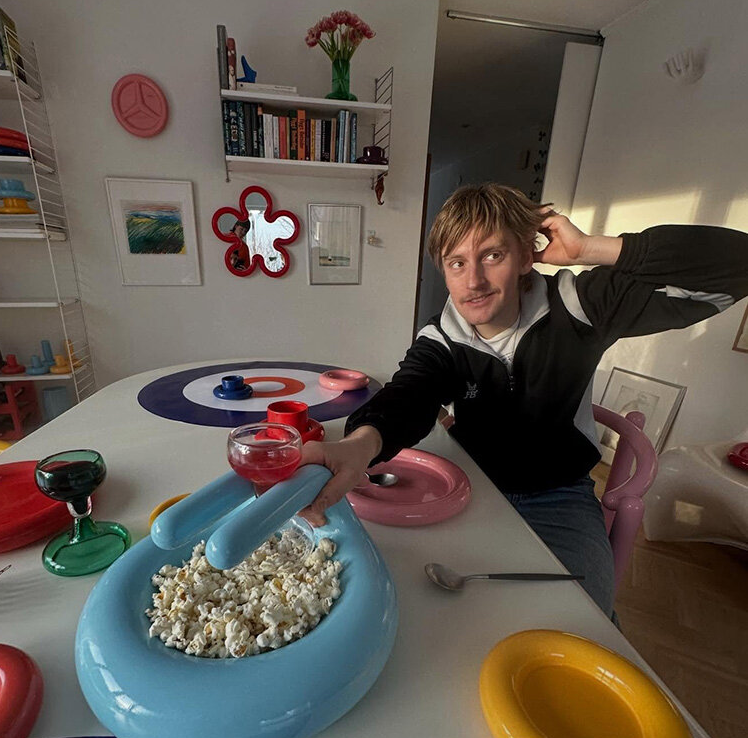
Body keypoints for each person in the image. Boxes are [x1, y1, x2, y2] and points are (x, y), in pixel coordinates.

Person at [299, 183, 748, 619]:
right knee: (425, 607)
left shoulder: (580, 305)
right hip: (467, 484)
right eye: (456, 263)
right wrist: (359, 447)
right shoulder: (440, 339)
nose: (473, 281)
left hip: (559, 495)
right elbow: (409, 395)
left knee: (584, 617)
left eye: (492, 255)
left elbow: (737, 266)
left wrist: (592, 248)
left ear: (525, 256)